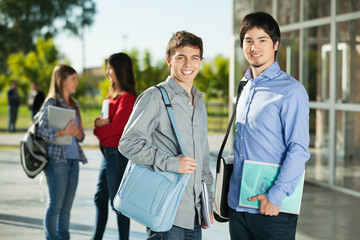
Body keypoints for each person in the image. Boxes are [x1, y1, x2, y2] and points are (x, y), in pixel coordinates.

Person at [119, 30, 214, 240]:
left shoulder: (199, 102)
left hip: (195, 216)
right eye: (181, 57)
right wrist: (171, 163)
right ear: (169, 61)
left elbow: (203, 159)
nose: (188, 64)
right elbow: (127, 143)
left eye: (194, 58)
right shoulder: (154, 97)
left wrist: (208, 204)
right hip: (166, 213)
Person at [227, 12, 310, 240]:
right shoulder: (245, 87)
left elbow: (299, 149)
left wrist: (276, 195)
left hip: (272, 209)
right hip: (238, 207)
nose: (254, 47)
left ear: (275, 44)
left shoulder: (291, 91)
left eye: (262, 40)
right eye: (248, 40)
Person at [37, 64, 87, 240]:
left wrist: (76, 133)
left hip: (74, 161)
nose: (77, 82)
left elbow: (80, 136)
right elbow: (40, 130)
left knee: (66, 210)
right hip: (57, 161)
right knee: (55, 206)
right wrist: (64, 132)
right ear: (62, 80)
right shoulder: (51, 103)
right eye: (73, 78)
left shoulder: (75, 104)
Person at [92, 53, 137, 240]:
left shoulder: (127, 99)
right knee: (99, 199)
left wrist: (98, 129)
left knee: (118, 204)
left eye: (110, 68)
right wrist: (100, 125)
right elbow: (105, 124)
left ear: (119, 70)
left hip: (117, 154)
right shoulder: (112, 96)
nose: (106, 72)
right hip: (107, 154)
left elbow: (115, 128)